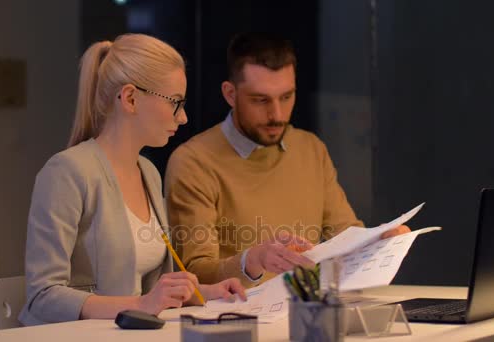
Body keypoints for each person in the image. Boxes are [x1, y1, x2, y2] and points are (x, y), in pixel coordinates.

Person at [19, 34, 245, 326]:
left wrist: (207, 292)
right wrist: (141, 304)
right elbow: (42, 296)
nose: (184, 117)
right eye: (175, 102)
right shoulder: (66, 172)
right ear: (130, 98)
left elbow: (150, 289)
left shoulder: (148, 172)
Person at [164, 32, 410, 288]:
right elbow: (195, 273)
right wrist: (253, 261)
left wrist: (379, 240)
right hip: (237, 316)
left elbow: (343, 235)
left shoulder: (310, 148)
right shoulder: (193, 161)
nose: (277, 115)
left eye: (286, 97)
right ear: (230, 94)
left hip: (308, 309)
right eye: (260, 100)